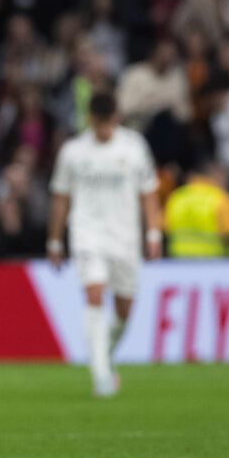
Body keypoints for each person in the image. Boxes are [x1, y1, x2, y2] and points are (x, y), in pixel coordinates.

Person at [47, 92, 162, 397]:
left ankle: (104, 355)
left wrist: (154, 233)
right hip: (87, 234)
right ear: (91, 120)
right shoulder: (73, 152)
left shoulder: (134, 147)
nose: (104, 131)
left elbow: (149, 192)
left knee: (124, 311)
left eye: (109, 124)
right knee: (95, 294)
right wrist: (55, 240)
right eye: (100, 125)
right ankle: (100, 375)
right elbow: (61, 198)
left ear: (116, 118)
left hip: (125, 237)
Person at [165, 161, 229, 258]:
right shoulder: (221, 198)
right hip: (214, 262)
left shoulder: (176, 197)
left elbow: (164, 227)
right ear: (214, 175)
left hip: (178, 260)